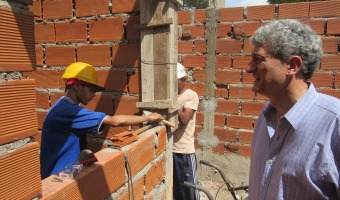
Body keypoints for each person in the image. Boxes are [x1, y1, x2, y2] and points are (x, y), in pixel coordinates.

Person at [246, 19, 340, 199]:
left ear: (292, 66)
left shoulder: (334, 122)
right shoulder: (267, 116)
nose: (249, 68)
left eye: (258, 59)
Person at [40, 62, 164, 179]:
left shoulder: (63, 107)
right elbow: (115, 121)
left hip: (66, 173)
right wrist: (149, 117)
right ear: (77, 86)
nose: (94, 94)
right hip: (59, 178)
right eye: (91, 89)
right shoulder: (67, 111)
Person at [173, 63, 200, 200]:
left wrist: (172, 103)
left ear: (184, 80)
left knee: (190, 192)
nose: (171, 83)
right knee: (176, 192)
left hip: (185, 152)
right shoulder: (171, 96)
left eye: (175, 80)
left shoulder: (191, 95)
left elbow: (184, 119)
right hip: (170, 150)